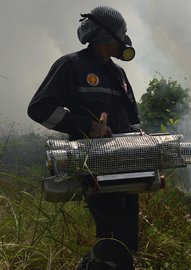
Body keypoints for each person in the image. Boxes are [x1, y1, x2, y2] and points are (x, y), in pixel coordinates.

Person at [28, 6, 140, 270]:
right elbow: (39, 108)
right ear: (107, 35)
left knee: (129, 240)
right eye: (122, 33)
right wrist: (86, 125)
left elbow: (134, 123)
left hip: (128, 167)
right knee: (116, 238)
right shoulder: (71, 66)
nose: (125, 39)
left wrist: (147, 163)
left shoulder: (118, 74)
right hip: (96, 169)